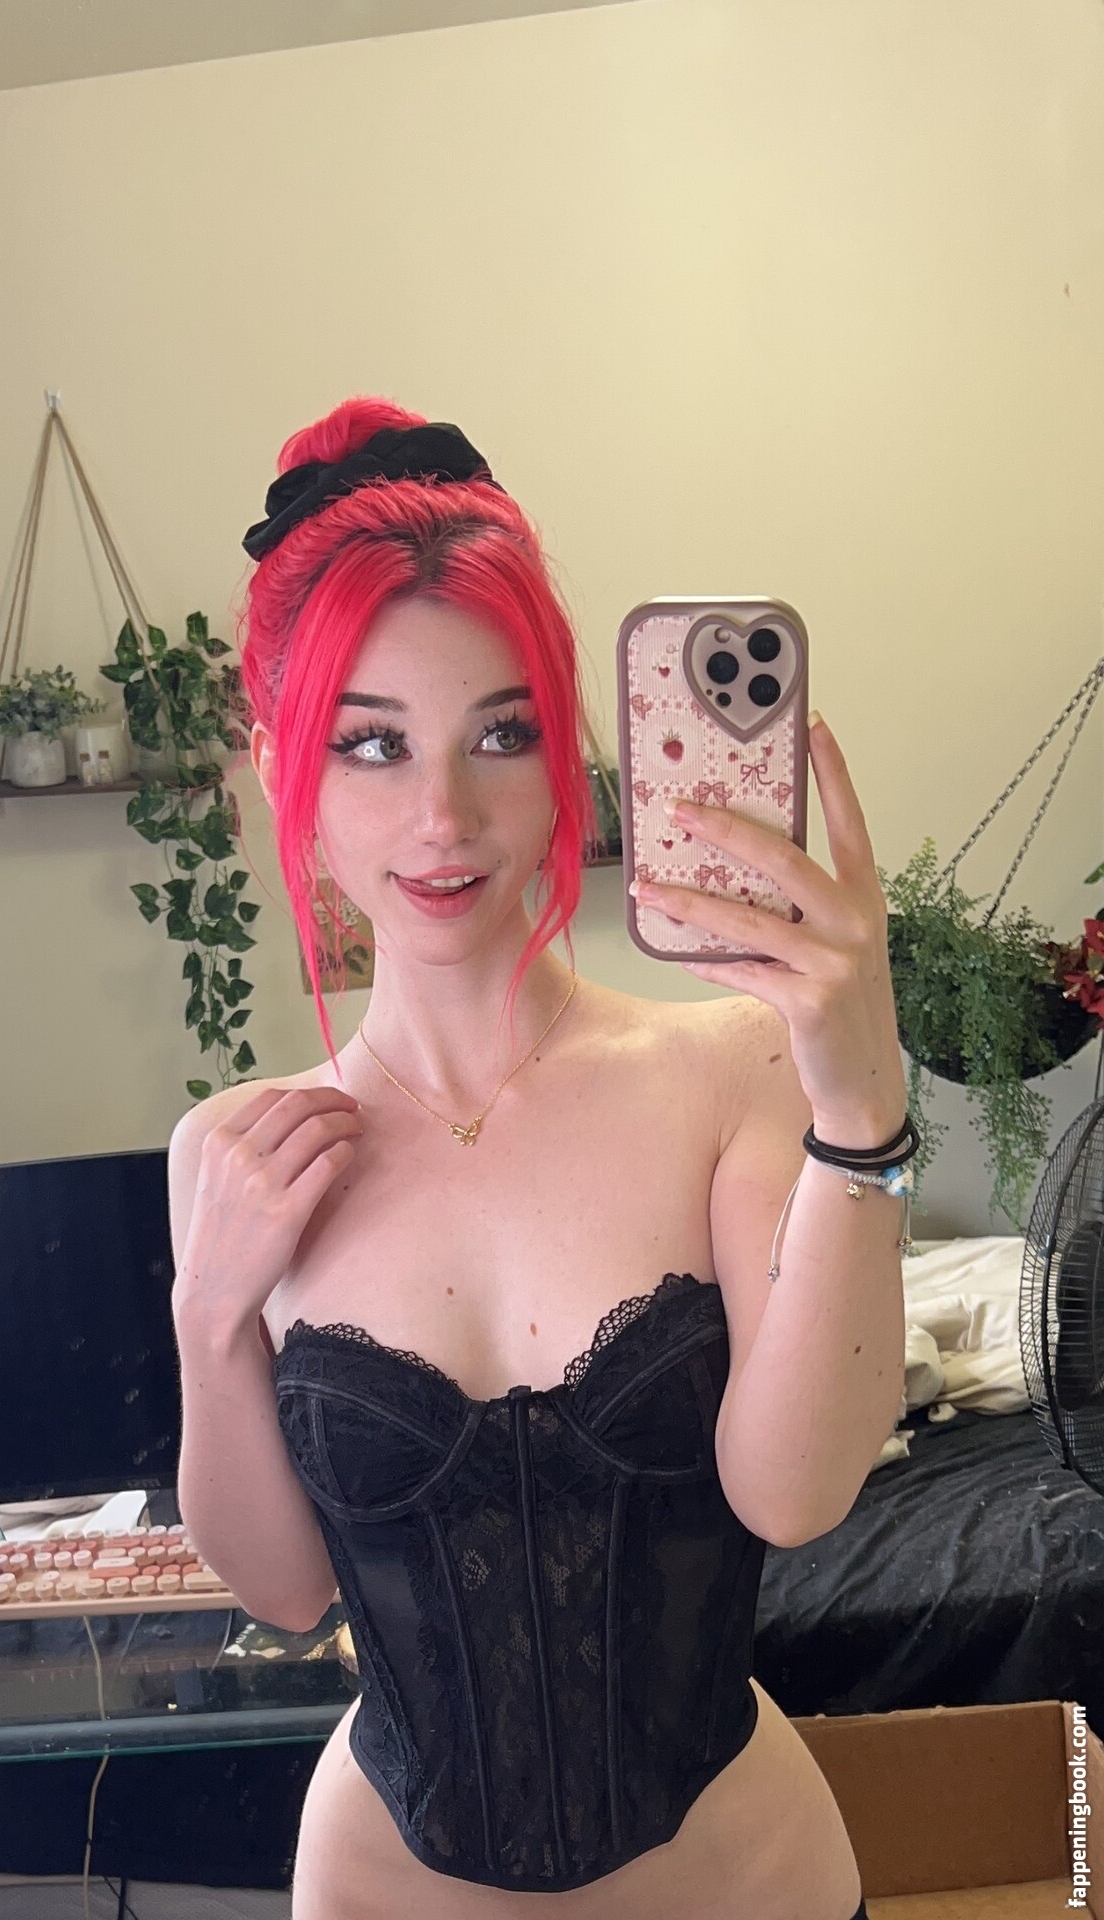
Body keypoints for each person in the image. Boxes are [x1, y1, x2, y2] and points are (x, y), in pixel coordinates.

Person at [169, 396, 911, 1920]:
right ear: (283, 772)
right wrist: (207, 1316)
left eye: (499, 734)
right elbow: (285, 1591)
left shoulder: (728, 1070)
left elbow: (796, 1494)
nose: (442, 815)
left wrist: (858, 1103)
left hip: (746, 1881)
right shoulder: (237, 1155)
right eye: (371, 745)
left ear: (568, 750)